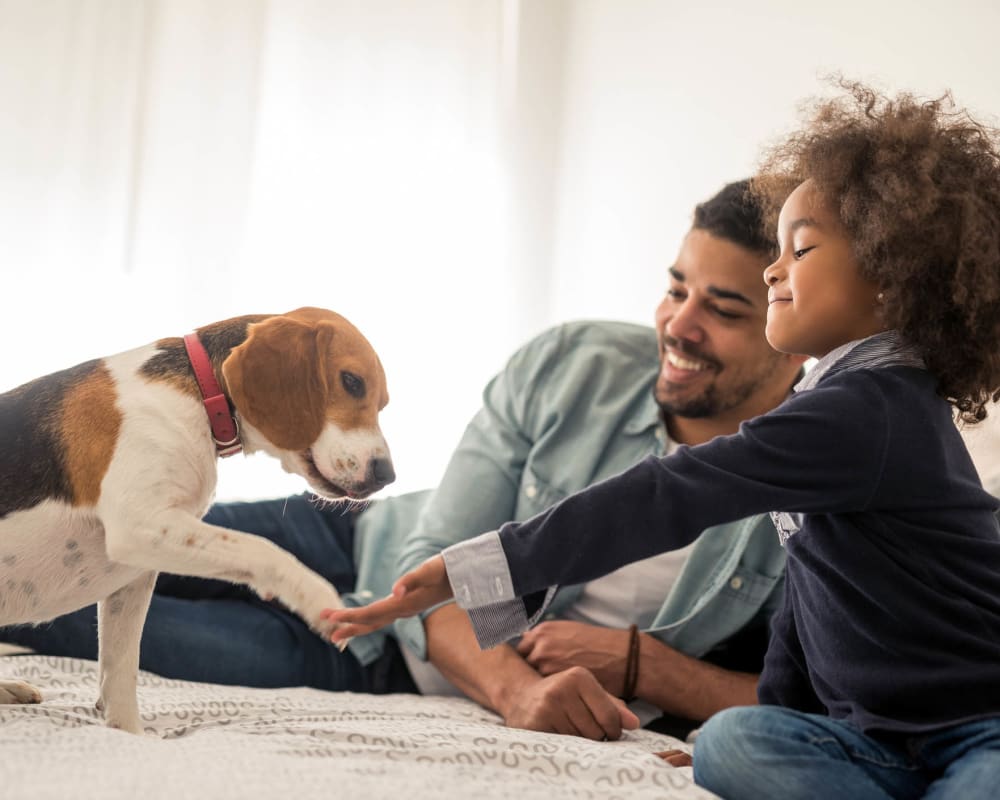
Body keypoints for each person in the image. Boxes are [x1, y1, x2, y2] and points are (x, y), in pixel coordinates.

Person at [327, 81, 1000, 799]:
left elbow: (669, 493)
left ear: (891, 282)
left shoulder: (873, 410)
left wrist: (485, 570)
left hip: (978, 723)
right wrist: (777, 715)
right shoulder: (831, 402)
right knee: (732, 743)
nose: (775, 269)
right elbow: (811, 601)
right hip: (877, 740)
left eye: (799, 251)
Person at [2, 179, 807, 741]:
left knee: (50, 611)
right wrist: (519, 691)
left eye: (724, 309)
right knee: (75, 544)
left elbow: (821, 699)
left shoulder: (820, 479)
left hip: (373, 659)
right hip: (356, 539)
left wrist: (649, 668)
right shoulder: (574, 363)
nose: (678, 325)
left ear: (787, 316)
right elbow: (441, 557)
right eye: (676, 288)